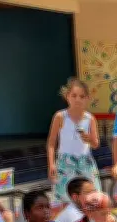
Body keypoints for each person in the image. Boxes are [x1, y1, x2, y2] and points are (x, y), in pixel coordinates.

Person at [46, 78, 101, 206]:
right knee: (63, 197)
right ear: (67, 97)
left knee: (90, 197)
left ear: (87, 98)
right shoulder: (60, 116)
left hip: (85, 163)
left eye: (82, 96)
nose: (77, 99)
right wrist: (51, 163)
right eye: (74, 95)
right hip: (65, 163)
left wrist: (89, 139)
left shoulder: (90, 119)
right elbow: (51, 142)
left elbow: (96, 144)